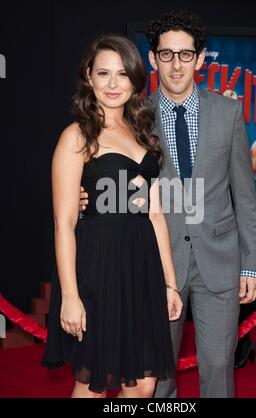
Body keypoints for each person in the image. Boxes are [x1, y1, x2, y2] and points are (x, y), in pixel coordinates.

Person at [80, 10, 256, 398]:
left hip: (220, 259)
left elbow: (245, 197)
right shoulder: (133, 116)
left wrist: (252, 263)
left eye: (185, 54)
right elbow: (109, 175)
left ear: (200, 58)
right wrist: (89, 200)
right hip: (154, 262)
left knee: (218, 369)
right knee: (156, 376)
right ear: (152, 59)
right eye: (166, 54)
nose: (176, 64)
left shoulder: (228, 113)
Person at [42, 34, 183, 398]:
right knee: (94, 380)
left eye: (122, 74)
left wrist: (169, 283)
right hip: (98, 268)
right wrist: (71, 297)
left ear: (135, 79)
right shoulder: (77, 136)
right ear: (89, 77)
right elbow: (64, 224)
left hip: (142, 269)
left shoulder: (142, 133)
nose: (112, 84)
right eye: (103, 73)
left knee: (144, 382)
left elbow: (154, 214)